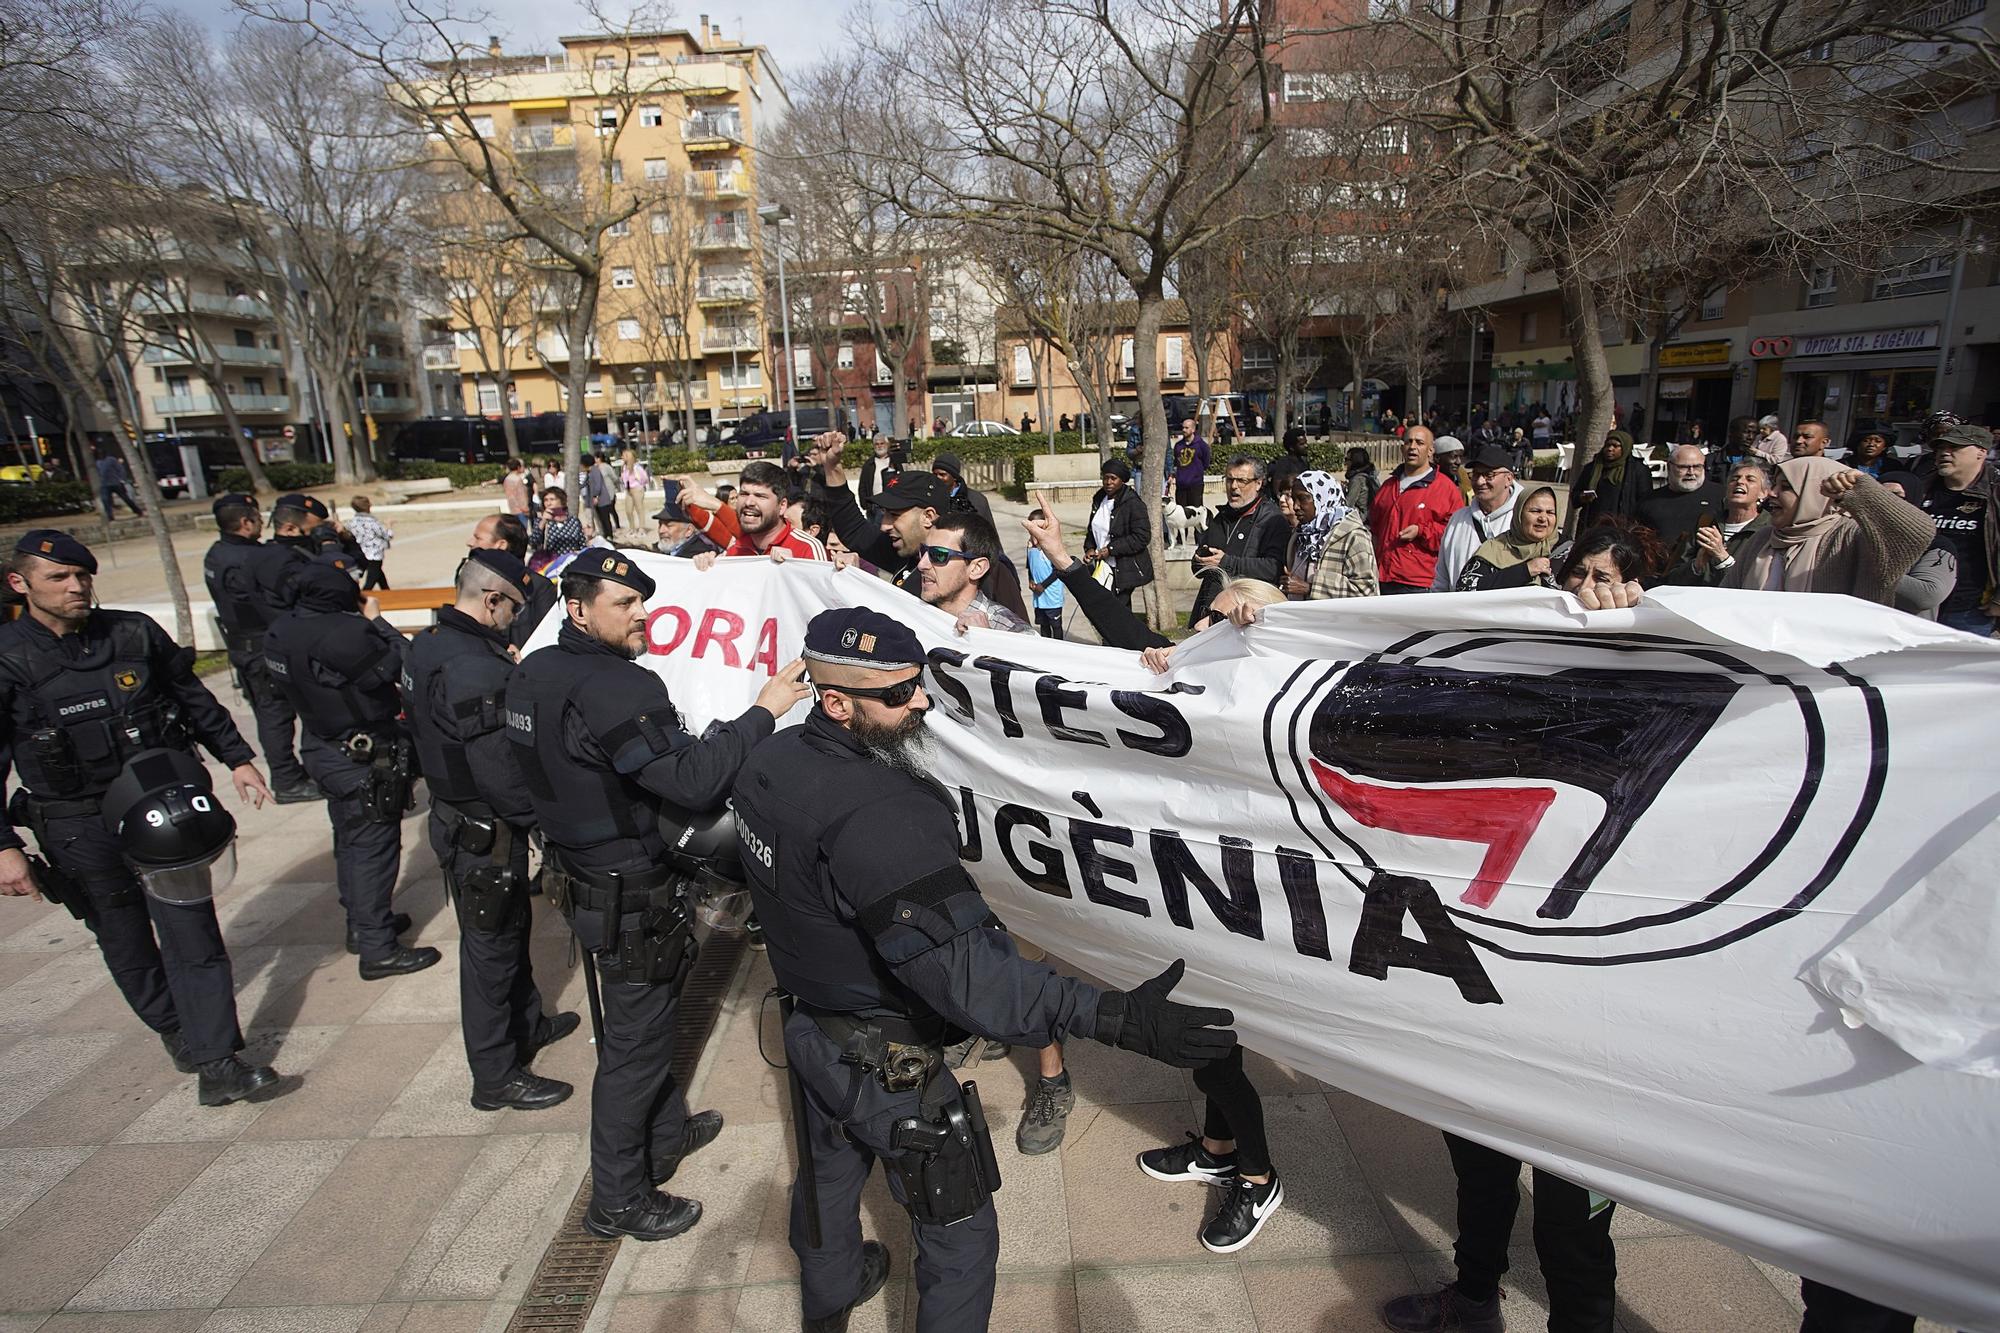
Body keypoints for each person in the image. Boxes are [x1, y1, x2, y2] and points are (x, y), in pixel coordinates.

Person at [731, 604, 1238, 1333]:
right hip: (883, 1058)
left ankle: (830, 1297)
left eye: (920, 683)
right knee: (961, 1236)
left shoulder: (770, 757)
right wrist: (1119, 1016)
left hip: (812, 1028)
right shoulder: (878, 812)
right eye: (900, 694)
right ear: (836, 702)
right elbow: (974, 981)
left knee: (827, 1181)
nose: (922, 702)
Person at [507, 548, 811, 1242]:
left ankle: (666, 1131)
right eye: (624, 603)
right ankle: (617, 1197)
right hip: (629, 889)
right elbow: (695, 780)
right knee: (634, 1046)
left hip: (584, 877)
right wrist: (763, 710)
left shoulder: (535, 670)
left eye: (642, 600)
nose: (641, 612)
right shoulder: (619, 686)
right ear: (578, 609)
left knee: (646, 1025)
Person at [0, 529, 280, 1106]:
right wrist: (3, 846)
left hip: (159, 811)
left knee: (192, 933)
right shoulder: (8, 657)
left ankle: (218, 1060)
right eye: (59, 578)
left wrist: (238, 758)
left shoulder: (132, 632)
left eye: (82, 576)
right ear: (19, 583)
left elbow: (192, 697)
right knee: (124, 938)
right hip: (75, 824)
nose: (76, 587)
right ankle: (175, 1027)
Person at [402, 549, 578, 1111]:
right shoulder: (475, 667)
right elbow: (500, 771)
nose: (513, 620)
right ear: (492, 599)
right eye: (513, 608)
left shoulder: (430, 644)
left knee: (508, 932)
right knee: (490, 952)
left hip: (459, 817)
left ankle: (527, 1025)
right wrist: (546, 826)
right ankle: (496, 1075)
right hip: (482, 826)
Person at [264, 555, 434, 977]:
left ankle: (362, 925)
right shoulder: (344, 632)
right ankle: (378, 948)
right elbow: (404, 666)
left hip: (321, 746)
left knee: (349, 841)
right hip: (362, 752)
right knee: (373, 849)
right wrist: (377, 623)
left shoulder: (281, 629)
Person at [806, 433, 1030, 619]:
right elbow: (853, 529)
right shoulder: (904, 554)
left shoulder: (988, 569)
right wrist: (832, 467)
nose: (884, 525)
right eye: (883, 514)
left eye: (894, 515)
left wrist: (981, 640)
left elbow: (1023, 644)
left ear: (928, 516)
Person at [203, 494, 317, 804]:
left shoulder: (217, 554)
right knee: (276, 715)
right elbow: (275, 600)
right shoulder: (249, 559)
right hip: (262, 648)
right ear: (245, 522)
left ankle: (290, 774)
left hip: (244, 646)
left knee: (270, 713)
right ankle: (287, 779)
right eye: (256, 517)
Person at [1721, 458, 1935, 606]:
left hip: (1830, 666)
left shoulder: (1852, 537)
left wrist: (1863, 491)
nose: (1771, 493)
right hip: (1760, 662)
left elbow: (1919, 533)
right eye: (1774, 485)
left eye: (1786, 487)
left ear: (1816, 493)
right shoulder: (1764, 538)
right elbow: (1727, 597)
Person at [1917, 423, 1999, 635]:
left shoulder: (1995, 492)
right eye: (1941, 447)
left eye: (1955, 447)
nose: (1944, 453)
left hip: (1970, 609)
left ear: (1981, 452)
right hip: (1917, 604)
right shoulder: (1921, 488)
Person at [1188, 454, 1288, 622]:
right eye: (1229, 479)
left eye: (1242, 481)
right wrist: (1200, 561)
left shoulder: (1272, 520)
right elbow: (1199, 568)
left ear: (1258, 483)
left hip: (1244, 616)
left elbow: (1273, 568)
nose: (1233, 486)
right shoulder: (1221, 518)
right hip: (1209, 612)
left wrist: (1226, 562)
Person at [1367, 427, 1466, 594]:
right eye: (1408, 442)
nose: (1412, 447)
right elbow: (1374, 528)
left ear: (1430, 451)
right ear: (1402, 448)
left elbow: (1456, 534)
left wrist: (1421, 531)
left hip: (1419, 582)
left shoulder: (1445, 488)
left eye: (1419, 443)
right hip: (1382, 577)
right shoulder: (1388, 486)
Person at [919, 511, 1031, 634]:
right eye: (923, 550)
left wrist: (985, 643)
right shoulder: (914, 616)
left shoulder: (1015, 633)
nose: (922, 565)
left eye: (938, 554)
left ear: (977, 568)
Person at [1431, 446, 1521, 590]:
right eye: (1475, 474)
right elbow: (1442, 577)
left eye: (1489, 475)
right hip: (1458, 609)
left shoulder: (1522, 519)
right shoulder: (1458, 519)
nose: (1479, 482)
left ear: (1509, 478)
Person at [702, 462, 829, 563]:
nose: (749, 502)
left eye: (760, 496)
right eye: (744, 494)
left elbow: (822, 594)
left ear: (782, 506)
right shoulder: (734, 552)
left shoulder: (808, 548)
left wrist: (794, 567)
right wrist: (707, 567)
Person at [1675, 460, 1774, 587]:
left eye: (1750, 479)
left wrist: (1722, 557)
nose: (1740, 482)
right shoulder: (1706, 523)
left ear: (1763, 493)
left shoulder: (1768, 531)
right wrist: (1697, 565)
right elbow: (1673, 578)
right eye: (1735, 478)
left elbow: (1757, 583)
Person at [1281, 470, 1377, 600]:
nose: (1296, 506)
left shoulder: (1352, 535)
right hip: (1302, 617)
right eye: (1293, 499)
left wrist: (1310, 587)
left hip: (1334, 619)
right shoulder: (1301, 535)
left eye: (1303, 498)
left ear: (1322, 498)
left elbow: (1366, 590)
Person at [469, 513, 560, 648]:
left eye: (478, 538)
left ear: (501, 545)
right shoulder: (473, 581)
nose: (470, 542)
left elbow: (546, 640)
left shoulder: (539, 587)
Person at [1877, 472, 1958, 621]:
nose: (1887, 502)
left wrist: (1865, 569)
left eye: (1897, 495)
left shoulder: (1935, 545)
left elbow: (1926, 595)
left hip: (1906, 636)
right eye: (1880, 495)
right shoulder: (1854, 538)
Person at [1635, 445, 1725, 575]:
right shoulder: (1649, 501)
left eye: (1697, 466)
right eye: (1683, 467)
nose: (1691, 472)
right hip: (1658, 575)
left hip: (1705, 576)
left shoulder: (1721, 496)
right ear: (1669, 466)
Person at [1083, 456, 1156, 611]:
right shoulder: (1099, 499)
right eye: (1105, 478)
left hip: (1124, 567)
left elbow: (1142, 537)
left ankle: (1124, 635)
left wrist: (1111, 550)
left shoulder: (1133, 503)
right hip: (1102, 566)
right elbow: (1092, 529)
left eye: (1113, 478)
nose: (1108, 482)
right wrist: (1089, 548)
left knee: (1117, 610)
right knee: (1109, 609)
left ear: (1122, 480)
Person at [1455, 485, 1561, 591]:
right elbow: (1465, 588)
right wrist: (1525, 571)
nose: (1543, 518)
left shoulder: (1565, 551)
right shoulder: (1495, 549)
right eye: (1535, 511)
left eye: (1550, 512)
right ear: (1519, 514)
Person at [1569, 430, 1651, 531]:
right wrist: (1582, 497)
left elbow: (1645, 502)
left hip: (1622, 528)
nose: (1610, 449)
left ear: (1625, 448)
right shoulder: (1593, 468)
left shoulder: (1637, 470)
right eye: (1607, 445)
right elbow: (1575, 495)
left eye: (1615, 446)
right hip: (1593, 526)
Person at [1024, 507, 1066, 638]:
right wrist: (1031, 580)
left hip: (1052, 595)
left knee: (1056, 625)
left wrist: (1043, 585)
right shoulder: (1030, 547)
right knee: (1044, 625)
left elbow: (1058, 570)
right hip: (1039, 595)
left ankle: (1060, 648)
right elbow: (1029, 566)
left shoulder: (1052, 547)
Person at [929, 452, 995, 526]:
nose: (937, 478)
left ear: (954, 477)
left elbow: (989, 532)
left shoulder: (976, 500)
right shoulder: (929, 498)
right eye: (934, 474)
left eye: (942, 474)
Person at [531, 487, 587, 573]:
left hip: (573, 564)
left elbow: (582, 544)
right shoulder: (541, 521)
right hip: (552, 566)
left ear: (561, 501)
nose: (548, 503)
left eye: (552, 499)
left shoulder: (573, 520)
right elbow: (533, 543)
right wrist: (543, 522)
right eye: (546, 500)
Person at [652, 490, 720, 558]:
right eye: (660, 524)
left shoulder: (698, 556)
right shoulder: (660, 551)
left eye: (668, 525)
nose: (661, 530)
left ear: (689, 530)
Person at [347, 495, 393, 590]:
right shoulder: (372, 523)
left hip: (361, 553)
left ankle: (387, 592)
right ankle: (361, 600)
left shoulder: (351, 522)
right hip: (375, 555)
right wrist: (389, 525)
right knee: (370, 582)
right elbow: (388, 535)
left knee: (380, 577)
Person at [94, 449, 144, 520]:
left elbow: (120, 469)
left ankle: (138, 511)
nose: (100, 455)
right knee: (105, 500)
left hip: (115, 482)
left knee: (125, 498)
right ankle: (110, 516)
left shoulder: (111, 460)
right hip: (105, 484)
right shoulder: (98, 462)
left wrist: (121, 479)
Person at [1172, 417, 1210, 508]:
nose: (1183, 430)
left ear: (1193, 429)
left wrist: (1196, 473)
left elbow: (1206, 463)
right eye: (1183, 428)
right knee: (1181, 512)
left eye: (1186, 428)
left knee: (1196, 512)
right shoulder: (1178, 445)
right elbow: (1176, 462)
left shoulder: (1201, 445)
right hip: (1181, 485)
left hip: (1195, 485)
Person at [581, 452, 618, 539]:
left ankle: (609, 535)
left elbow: (598, 484)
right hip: (596, 500)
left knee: (605, 518)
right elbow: (585, 484)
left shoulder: (595, 470)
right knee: (600, 518)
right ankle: (605, 534)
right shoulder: (589, 472)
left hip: (602, 499)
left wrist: (595, 496)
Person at [858, 436, 900, 510]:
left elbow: (901, 480)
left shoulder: (895, 462)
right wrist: (866, 505)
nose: (879, 446)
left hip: (891, 506)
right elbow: (862, 486)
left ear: (887, 444)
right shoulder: (869, 464)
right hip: (874, 506)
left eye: (882, 443)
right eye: (877, 444)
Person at [620, 449, 652, 531]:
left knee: (639, 509)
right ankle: (632, 528)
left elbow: (645, 478)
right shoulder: (624, 467)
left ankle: (642, 528)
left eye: (624, 455)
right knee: (628, 510)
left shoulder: (637, 467)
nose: (622, 457)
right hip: (628, 490)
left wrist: (640, 483)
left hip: (637, 489)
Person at [1344, 446, 1380, 518]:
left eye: (1347, 459)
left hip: (1362, 518)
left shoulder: (1357, 479)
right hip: (1372, 515)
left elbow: (1348, 505)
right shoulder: (1370, 475)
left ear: (1355, 461)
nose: (1345, 463)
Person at [503, 458, 533, 530]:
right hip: (521, 509)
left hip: (512, 507)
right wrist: (526, 509)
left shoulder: (507, 479)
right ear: (518, 467)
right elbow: (521, 495)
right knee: (523, 530)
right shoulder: (517, 479)